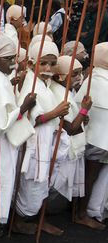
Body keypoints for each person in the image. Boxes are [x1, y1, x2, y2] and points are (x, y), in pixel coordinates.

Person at [13, 40, 69, 235]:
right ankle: (19, 221)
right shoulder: (31, 84)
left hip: (46, 142)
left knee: (42, 181)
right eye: (43, 63)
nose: (48, 68)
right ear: (30, 63)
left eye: (52, 64)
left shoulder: (44, 83)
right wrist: (55, 112)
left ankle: (37, 219)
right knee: (30, 183)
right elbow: (28, 120)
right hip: (34, 143)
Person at [0, 34, 36, 238]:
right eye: (8, 59)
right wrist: (23, 107)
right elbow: (1, 121)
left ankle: (1, 220)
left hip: (6, 140)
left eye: (14, 58)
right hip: (0, 140)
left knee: (4, 179)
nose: (13, 63)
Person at [75, 42, 108, 230]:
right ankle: (80, 213)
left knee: (88, 175)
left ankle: (80, 209)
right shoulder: (98, 79)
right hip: (98, 138)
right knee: (89, 176)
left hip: (97, 135)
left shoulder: (95, 76)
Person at [50, 56, 90, 204]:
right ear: (59, 77)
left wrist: (81, 118)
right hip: (59, 149)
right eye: (74, 74)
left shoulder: (68, 91)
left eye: (80, 73)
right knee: (52, 187)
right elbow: (71, 129)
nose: (79, 78)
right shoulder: (59, 93)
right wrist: (84, 111)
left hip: (66, 148)